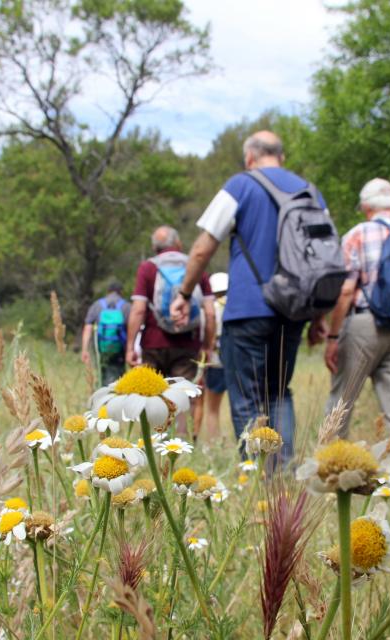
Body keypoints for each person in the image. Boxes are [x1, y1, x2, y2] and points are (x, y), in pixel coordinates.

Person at [169, 131, 327, 463]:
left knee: (246, 399)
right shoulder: (310, 192)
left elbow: (202, 249)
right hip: (293, 311)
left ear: (249, 157)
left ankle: (254, 477)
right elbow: (321, 261)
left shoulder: (241, 185)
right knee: (279, 393)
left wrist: (184, 293)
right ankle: (281, 476)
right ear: (282, 157)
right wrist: (318, 318)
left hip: (247, 310)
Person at [324, 178, 390, 483]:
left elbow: (346, 291)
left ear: (366, 206)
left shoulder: (358, 234)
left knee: (340, 406)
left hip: (364, 324)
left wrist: (333, 337)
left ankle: (333, 481)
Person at [126, 224, 215, 384]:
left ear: (154, 247)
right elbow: (210, 313)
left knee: (149, 398)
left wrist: (130, 347)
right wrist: (208, 346)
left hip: (153, 343)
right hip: (187, 343)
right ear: (178, 243)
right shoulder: (196, 267)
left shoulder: (148, 268)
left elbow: (138, 310)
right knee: (180, 399)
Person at [81, 281, 130, 386]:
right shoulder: (126, 306)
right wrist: (130, 350)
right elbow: (132, 330)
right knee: (119, 376)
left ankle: (103, 395)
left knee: (102, 373)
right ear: (121, 292)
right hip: (120, 351)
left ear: (108, 291)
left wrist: (85, 350)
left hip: (101, 349)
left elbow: (88, 327)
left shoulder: (97, 305)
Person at [202, 272, 229, 443]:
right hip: (238, 361)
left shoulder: (211, 308)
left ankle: (214, 443)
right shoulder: (237, 305)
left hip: (216, 362)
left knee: (212, 409)